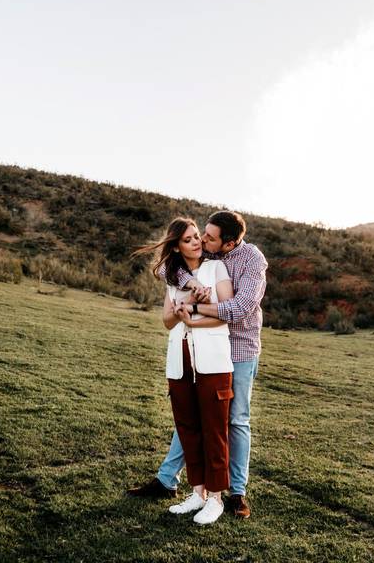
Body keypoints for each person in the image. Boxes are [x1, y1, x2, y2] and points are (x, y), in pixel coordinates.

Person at [128, 211, 267, 520]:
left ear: (229, 243)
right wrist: (190, 283)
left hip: (238, 348)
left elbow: (240, 308)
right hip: (197, 347)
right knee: (192, 416)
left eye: (209, 237)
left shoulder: (251, 260)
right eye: (201, 234)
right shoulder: (200, 253)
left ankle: (236, 493)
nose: (203, 240)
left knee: (235, 419)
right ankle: (172, 481)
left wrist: (192, 305)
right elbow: (167, 265)